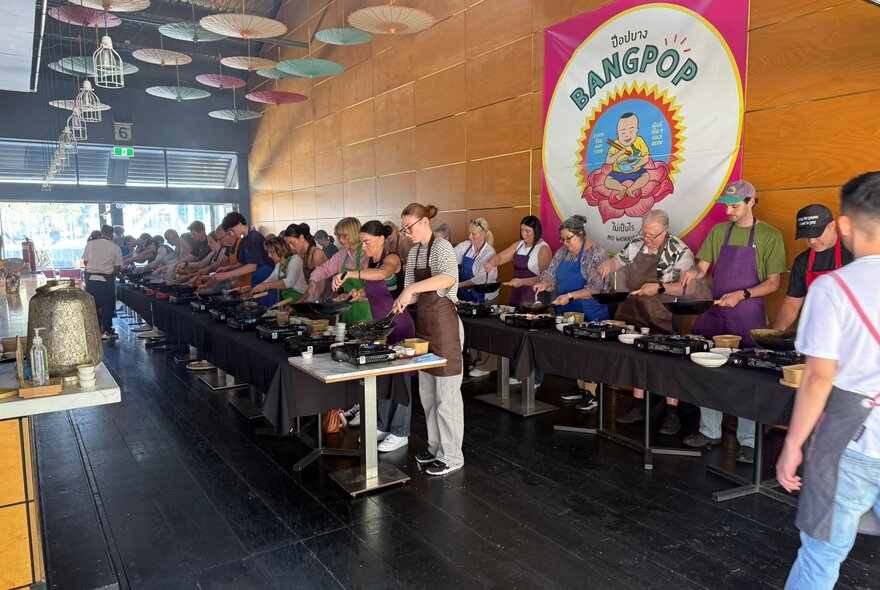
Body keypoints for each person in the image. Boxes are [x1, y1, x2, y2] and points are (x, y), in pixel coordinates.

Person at [776, 172, 880, 589]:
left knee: (822, 554)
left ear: (846, 226)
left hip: (850, 441)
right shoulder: (811, 269)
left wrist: (792, 445)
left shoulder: (835, 287)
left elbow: (819, 379)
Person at [682, 180, 787, 464]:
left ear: (751, 202)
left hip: (747, 314)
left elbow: (774, 283)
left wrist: (743, 294)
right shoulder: (719, 232)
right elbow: (703, 267)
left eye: (734, 206)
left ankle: (749, 441)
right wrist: (693, 274)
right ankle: (709, 430)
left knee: (746, 379)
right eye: (726, 206)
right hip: (715, 312)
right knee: (708, 370)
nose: (728, 211)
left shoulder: (770, 235)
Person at [597, 209, 694, 435]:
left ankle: (672, 414)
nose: (647, 239)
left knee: (668, 365)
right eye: (645, 233)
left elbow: (685, 287)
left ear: (665, 231)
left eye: (652, 236)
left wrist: (659, 287)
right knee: (637, 360)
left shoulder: (680, 251)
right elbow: (618, 261)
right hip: (635, 311)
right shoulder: (637, 244)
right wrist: (607, 266)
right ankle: (638, 407)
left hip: (664, 314)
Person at [392, 203, 464, 476]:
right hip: (424, 328)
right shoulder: (415, 252)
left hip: (445, 329)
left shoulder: (442, 246)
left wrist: (410, 288)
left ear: (424, 221)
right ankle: (437, 447)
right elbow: (414, 294)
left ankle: (453, 456)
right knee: (429, 394)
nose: (406, 232)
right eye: (404, 228)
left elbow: (447, 278)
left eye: (408, 227)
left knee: (447, 397)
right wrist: (403, 299)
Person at [333, 220, 416, 452]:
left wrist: (350, 273)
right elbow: (375, 294)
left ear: (381, 239)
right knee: (381, 377)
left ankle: (400, 432)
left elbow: (382, 275)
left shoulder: (392, 259)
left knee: (401, 379)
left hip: (399, 325)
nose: (365, 248)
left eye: (367, 242)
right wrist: (355, 294)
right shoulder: (371, 260)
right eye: (362, 243)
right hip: (381, 327)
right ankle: (383, 424)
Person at [534, 214, 611, 410]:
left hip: (591, 311)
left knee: (590, 354)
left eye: (569, 238)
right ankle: (580, 388)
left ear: (581, 234)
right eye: (563, 239)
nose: (565, 243)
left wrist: (570, 295)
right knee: (574, 352)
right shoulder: (562, 253)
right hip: (567, 311)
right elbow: (550, 273)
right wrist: (543, 283)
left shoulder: (597, 252)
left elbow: (597, 288)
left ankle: (592, 393)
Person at [773, 204, 853, 331]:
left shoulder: (855, 253)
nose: (812, 241)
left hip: (853, 332)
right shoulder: (802, 262)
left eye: (817, 235)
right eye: (806, 236)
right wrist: (774, 335)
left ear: (832, 226)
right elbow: (792, 304)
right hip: (819, 333)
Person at [304, 218, 372, 324]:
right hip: (348, 310)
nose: (340, 239)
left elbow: (373, 287)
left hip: (366, 310)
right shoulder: (342, 255)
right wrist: (312, 281)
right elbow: (322, 269)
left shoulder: (368, 254)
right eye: (338, 236)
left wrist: (357, 293)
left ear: (354, 233)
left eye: (344, 236)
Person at [454, 218, 499, 378]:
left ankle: (487, 364)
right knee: (470, 329)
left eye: (474, 234)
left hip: (484, 297)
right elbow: (452, 258)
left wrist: (457, 285)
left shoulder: (489, 253)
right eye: (469, 233)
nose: (471, 237)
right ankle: (475, 360)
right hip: (467, 295)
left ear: (484, 235)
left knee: (485, 332)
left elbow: (480, 279)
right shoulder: (466, 247)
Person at [485, 215, 552, 308]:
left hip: (535, 297)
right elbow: (500, 257)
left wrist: (522, 282)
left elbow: (546, 277)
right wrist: (492, 263)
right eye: (522, 231)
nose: (523, 234)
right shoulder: (519, 245)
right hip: (517, 294)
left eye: (527, 231)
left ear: (536, 231)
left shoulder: (543, 249)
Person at [214, 213, 277, 304]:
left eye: (232, 230)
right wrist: (227, 268)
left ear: (239, 224)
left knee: (269, 310)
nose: (231, 234)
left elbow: (252, 266)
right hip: (257, 280)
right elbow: (242, 263)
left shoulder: (254, 238)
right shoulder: (245, 239)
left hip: (267, 279)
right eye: (229, 232)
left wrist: (226, 275)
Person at [82, 225, 123, 340]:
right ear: (112, 234)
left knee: (93, 305)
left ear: (101, 233)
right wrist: (109, 274)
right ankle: (107, 330)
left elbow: (85, 262)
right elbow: (117, 267)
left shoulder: (90, 244)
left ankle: (94, 330)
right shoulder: (115, 247)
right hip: (106, 281)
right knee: (107, 305)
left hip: (91, 280)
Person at [604, 112, 651, 201]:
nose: (627, 135)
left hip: (636, 170)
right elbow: (608, 161)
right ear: (617, 135)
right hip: (618, 172)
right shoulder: (615, 144)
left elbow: (646, 157)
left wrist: (637, 165)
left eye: (631, 131)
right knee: (607, 181)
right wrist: (619, 153)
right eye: (623, 132)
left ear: (636, 131)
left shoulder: (639, 140)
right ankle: (621, 188)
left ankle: (631, 189)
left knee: (646, 176)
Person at [252, 237, 308, 304]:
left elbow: (289, 282)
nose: (269, 255)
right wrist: (258, 287)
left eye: (271, 252)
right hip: (290, 303)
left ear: (281, 250)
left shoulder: (295, 260)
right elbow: (271, 279)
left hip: (302, 301)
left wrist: (266, 285)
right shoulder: (279, 265)